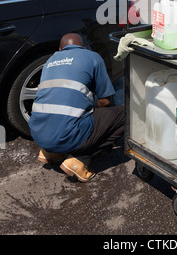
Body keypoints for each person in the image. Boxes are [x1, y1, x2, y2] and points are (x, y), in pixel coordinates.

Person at [29, 33, 124, 182]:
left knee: (66, 117)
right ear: (84, 48)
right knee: (124, 115)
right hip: (66, 136)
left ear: (60, 49)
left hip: (39, 134)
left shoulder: (50, 61)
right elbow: (105, 102)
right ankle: (79, 160)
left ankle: (52, 152)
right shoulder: (92, 57)